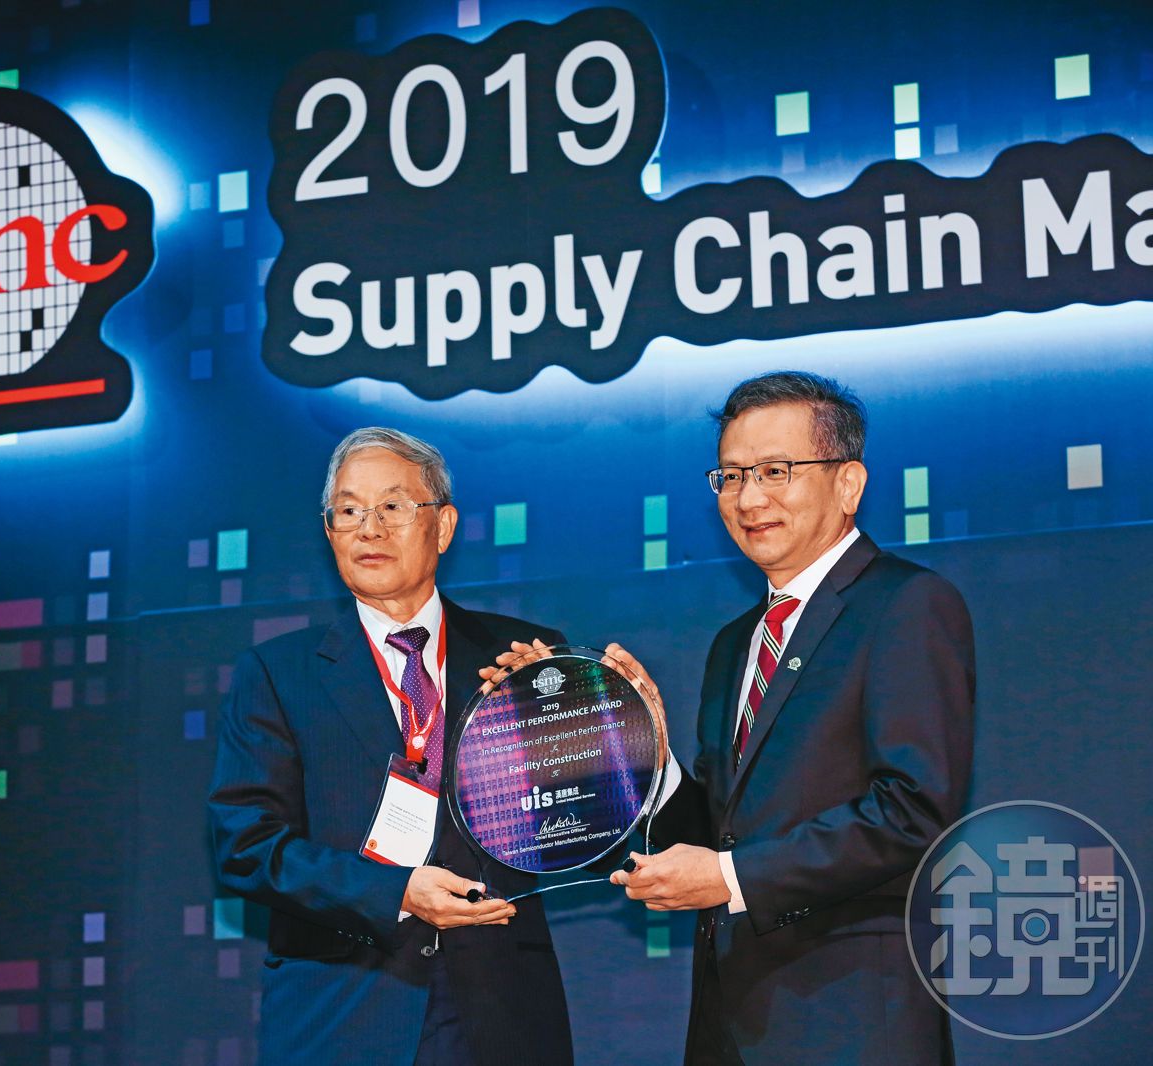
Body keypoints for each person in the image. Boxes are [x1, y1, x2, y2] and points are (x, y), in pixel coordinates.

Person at [601, 371, 976, 1063]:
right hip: (730, 1021)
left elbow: (913, 810)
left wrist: (731, 879)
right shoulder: (734, 643)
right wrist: (644, 745)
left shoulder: (906, 605)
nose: (750, 498)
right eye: (731, 476)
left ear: (848, 483)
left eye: (776, 471)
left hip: (851, 1020)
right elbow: (721, 827)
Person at [208, 427, 574, 1066]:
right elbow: (246, 847)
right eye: (348, 511)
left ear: (444, 525)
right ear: (330, 532)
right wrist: (394, 891)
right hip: (343, 1014)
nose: (368, 529)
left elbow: (585, 816)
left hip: (500, 1009)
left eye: (393, 506)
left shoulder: (523, 658)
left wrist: (605, 721)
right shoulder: (277, 673)